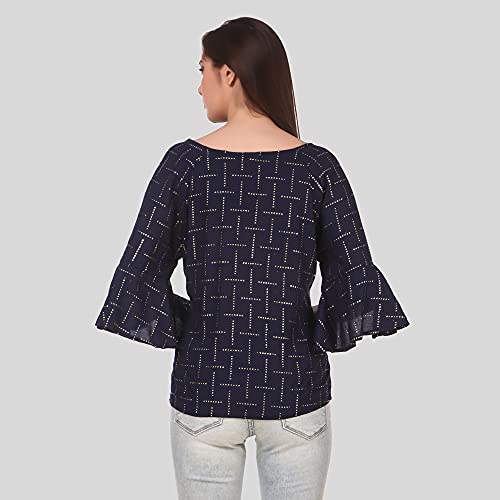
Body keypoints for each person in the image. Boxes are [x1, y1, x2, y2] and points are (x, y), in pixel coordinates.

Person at [94, 16, 410, 500]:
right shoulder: (317, 168)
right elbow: (354, 280)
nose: (199, 86)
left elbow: (137, 276)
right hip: (294, 389)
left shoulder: (185, 165)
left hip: (206, 388)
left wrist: (200, 323)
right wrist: (300, 323)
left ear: (229, 73)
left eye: (202, 69)